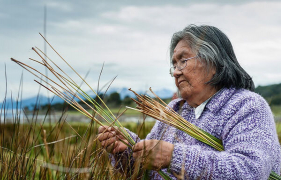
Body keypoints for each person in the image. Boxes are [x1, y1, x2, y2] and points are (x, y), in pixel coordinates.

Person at [98, 24, 281, 179]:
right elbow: (148, 170)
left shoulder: (246, 107)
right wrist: (127, 151)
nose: (176, 72)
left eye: (183, 60)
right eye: (174, 65)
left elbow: (251, 171)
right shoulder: (173, 112)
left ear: (214, 63)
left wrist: (175, 157)